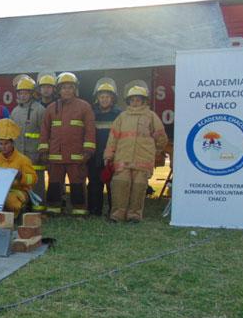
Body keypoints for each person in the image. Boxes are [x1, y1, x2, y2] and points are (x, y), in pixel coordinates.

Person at [104, 82, 167, 223]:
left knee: (138, 189)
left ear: (144, 101)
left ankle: (134, 216)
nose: (135, 102)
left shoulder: (151, 116)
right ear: (128, 101)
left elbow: (161, 138)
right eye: (132, 100)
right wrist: (108, 155)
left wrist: (155, 152)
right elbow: (112, 138)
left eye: (138, 99)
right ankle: (117, 216)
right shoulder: (122, 117)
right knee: (120, 186)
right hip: (122, 160)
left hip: (142, 162)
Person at [38, 72, 96, 216]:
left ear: (75, 89)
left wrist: (88, 150)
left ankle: (79, 210)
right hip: (55, 156)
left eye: (70, 87)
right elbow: (45, 130)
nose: (67, 90)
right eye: (64, 88)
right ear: (59, 90)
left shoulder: (84, 107)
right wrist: (44, 150)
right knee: (54, 184)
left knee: (77, 184)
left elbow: (90, 130)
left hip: (76, 156)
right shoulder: (51, 108)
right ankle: (53, 208)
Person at [10, 76, 46, 211]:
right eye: (20, 93)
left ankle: (39, 208)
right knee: (21, 182)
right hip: (19, 154)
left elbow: (45, 132)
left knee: (37, 181)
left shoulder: (39, 109)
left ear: (32, 94)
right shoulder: (15, 111)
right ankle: (24, 207)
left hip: (34, 153)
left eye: (26, 93)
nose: (23, 96)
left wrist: (42, 151)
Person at [87, 78, 122, 216]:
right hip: (95, 155)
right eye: (102, 97)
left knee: (113, 185)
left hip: (113, 155)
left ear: (112, 98)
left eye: (107, 97)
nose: (104, 99)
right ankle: (94, 211)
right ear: (97, 98)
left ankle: (114, 211)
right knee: (94, 184)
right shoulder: (91, 114)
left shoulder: (119, 115)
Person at [0, 119, 38, 215]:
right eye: (1, 144)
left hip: (20, 191)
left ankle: (16, 214)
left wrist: (21, 176)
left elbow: (34, 179)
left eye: (6, 144)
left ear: (12, 144)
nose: (3, 147)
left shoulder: (23, 159)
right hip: (0, 190)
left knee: (11, 201)